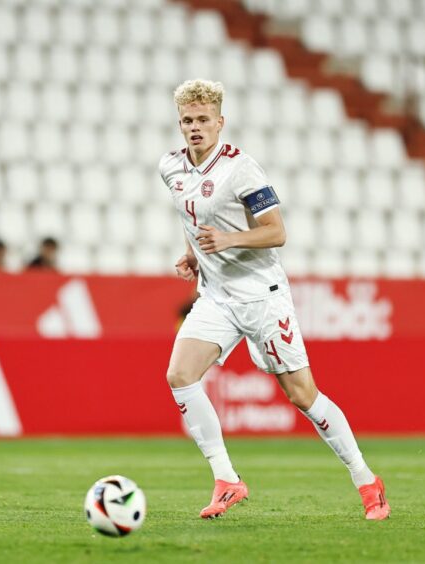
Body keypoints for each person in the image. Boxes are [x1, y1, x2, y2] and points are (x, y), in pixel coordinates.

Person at [158, 79, 389, 520]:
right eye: (187, 121)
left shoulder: (242, 169)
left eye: (203, 120)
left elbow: (276, 232)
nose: (194, 128)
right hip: (216, 297)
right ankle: (227, 479)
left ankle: (366, 481)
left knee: (303, 395)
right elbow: (190, 215)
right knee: (179, 375)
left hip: (263, 297)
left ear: (220, 122)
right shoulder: (171, 166)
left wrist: (226, 240)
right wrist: (192, 252)